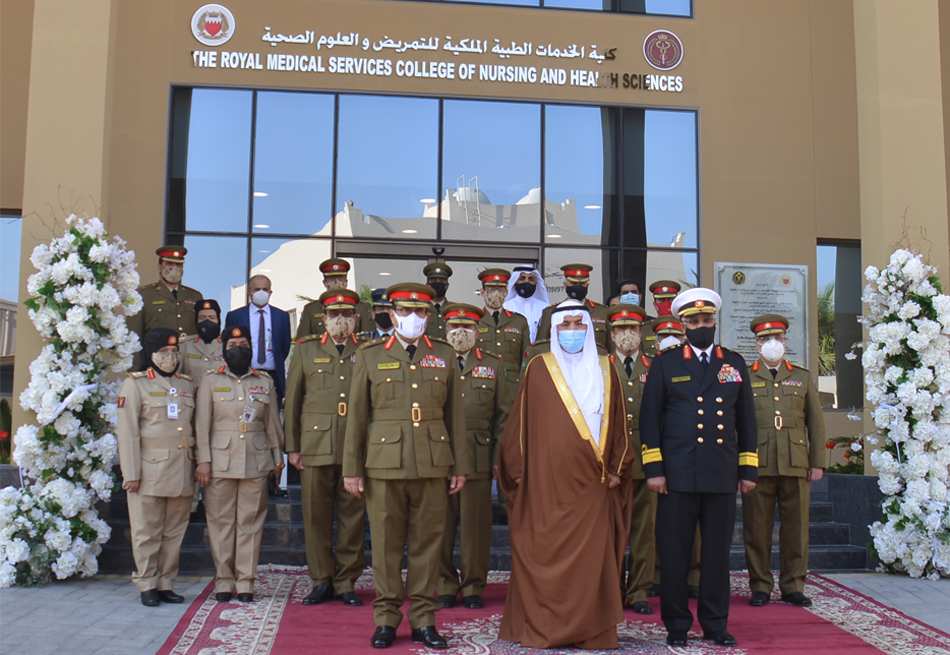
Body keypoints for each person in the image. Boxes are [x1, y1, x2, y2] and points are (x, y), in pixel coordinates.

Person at [498, 300, 633, 650]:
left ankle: (593, 630)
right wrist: (518, 475)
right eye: (565, 325)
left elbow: (619, 425)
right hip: (546, 487)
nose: (572, 331)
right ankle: (546, 627)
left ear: (590, 328)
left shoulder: (607, 369)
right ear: (554, 330)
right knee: (545, 554)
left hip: (593, 486)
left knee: (591, 563)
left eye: (579, 323)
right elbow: (519, 429)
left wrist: (617, 469)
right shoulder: (539, 368)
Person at [342, 283, 470, 650]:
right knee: (384, 545)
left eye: (421, 312)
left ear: (429, 316)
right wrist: (352, 469)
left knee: (428, 544)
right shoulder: (368, 355)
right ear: (392, 314)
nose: (414, 319)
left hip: (432, 464)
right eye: (406, 312)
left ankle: (424, 618)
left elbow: (455, 418)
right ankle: (385, 618)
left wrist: (458, 465)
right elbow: (357, 420)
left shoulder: (443, 355)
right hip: (384, 465)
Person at [640, 288, 758, 648]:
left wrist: (747, 469)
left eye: (707, 320)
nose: (701, 325)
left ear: (714, 322)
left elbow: (747, 420)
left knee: (717, 554)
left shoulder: (733, 363)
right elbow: (650, 420)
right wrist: (654, 469)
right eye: (694, 321)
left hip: (721, 472)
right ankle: (676, 623)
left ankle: (714, 622)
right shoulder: (665, 362)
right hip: (677, 474)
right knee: (674, 553)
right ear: (683, 324)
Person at [285, 289, 367, 607]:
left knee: (352, 518)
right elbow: (292, 401)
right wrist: (292, 447)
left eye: (347, 314)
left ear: (355, 318)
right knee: (316, 517)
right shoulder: (305, 351)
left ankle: (346, 581)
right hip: (315, 447)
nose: (341, 320)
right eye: (335, 314)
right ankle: (321, 580)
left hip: (354, 450)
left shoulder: (369, 350)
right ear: (323, 319)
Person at [195, 326, 285, 603]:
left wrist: (278, 458)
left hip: (255, 461)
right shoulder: (210, 381)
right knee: (221, 523)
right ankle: (224, 580)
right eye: (233, 344)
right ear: (224, 349)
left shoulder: (264, 382)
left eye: (243, 343)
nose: (238, 348)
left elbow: (271, 424)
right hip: (219, 462)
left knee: (250, 524)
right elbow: (201, 425)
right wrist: (203, 461)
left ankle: (245, 581)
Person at [743, 314, 826, 607]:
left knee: (796, 527)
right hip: (759, 462)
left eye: (777, 338)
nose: (771, 344)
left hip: (795, 461)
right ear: (756, 345)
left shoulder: (802, 376)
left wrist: (817, 462)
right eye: (765, 339)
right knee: (756, 527)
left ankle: (793, 585)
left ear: (786, 342)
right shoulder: (745, 375)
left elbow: (815, 423)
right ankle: (761, 585)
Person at [117, 328, 196, 606]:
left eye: (174, 353)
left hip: (182, 469)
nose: (170, 358)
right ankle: (147, 582)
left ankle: (165, 582)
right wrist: (131, 474)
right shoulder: (135, 384)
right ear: (151, 354)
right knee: (146, 530)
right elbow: (128, 433)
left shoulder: (185, 383)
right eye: (164, 352)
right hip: (149, 470)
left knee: (174, 532)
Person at [437, 303, 508, 610]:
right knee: (439, 525)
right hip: (439, 456)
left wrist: (497, 457)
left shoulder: (493, 364)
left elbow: (504, 416)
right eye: (455, 327)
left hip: (478, 456)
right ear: (445, 330)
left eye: (467, 328)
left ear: (478, 332)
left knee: (476, 527)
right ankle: (443, 583)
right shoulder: (433, 362)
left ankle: (473, 585)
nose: (461, 333)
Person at [646, 314, 701, 600]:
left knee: (693, 527)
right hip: (655, 456)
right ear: (654, 343)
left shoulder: (695, 366)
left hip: (687, 457)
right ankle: (656, 575)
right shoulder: (654, 366)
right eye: (662, 337)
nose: (669, 342)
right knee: (657, 523)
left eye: (675, 337)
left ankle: (693, 576)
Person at [607, 304, 655, 615]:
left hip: (647, 459)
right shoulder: (600, 366)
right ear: (612, 335)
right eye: (621, 329)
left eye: (633, 329)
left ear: (642, 333)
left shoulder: (657, 367)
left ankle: (638, 591)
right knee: (610, 530)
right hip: (610, 462)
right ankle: (610, 589)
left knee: (643, 531)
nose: (628, 335)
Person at [128, 246, 202, 366]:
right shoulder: (143, 296)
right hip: (156, 366)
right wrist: (136, 374)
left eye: (178, 265)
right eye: (169, 264)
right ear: (159, 267)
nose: (174, 268)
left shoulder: (195, 297)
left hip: (189, 365)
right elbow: (133, 339)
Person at [225, 275, 292, 406]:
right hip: (245, 374)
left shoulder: (282, 316)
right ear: (249, 292)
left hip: (272, 375)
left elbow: (285, 346)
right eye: (257, 289)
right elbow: (228, 346)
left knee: (272, 417)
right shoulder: (235, 316)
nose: (261, 293)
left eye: (265, 289)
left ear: (270, 292)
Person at [475, 268, 530, 407]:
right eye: (491, 289)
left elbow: (526, 360)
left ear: (506, 292)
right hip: (481, 386)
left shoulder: (519, 322)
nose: (496, 294)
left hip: (511, 389)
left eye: (500, 289)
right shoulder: (474, 322)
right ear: (482, 292)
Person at [535, 264, 610, 350]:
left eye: (582, 284)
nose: (578, 287)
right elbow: (540, 348)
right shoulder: (550, 312)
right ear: (565, 285)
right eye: (574, 283)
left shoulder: (603, 312)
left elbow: (611, 350)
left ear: (587, 286)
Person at [296, 258, 373, 339]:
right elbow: (302, 342)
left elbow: (367, 340)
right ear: (324, 283)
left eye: (340, 277)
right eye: (331, 278)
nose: (336, 281)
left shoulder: (361, 308)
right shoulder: (311, 309)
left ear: (346, 281)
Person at [503, 265, 550, 344]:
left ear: (536, 283)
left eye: (531, 279)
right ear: (515, 283)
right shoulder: (505, 307)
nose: (526, 282)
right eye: (522, 278)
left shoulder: (545, 308)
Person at [179, 299, 224, 379]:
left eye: (211, 317)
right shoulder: (184, 346)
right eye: (202, 318)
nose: (207, 321)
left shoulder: (227, 346)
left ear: (218, 320)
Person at [641, 280, 681, 354]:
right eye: (661, 300)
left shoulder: (685, 327)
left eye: (670, 299)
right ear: (655, 305)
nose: (666, 303)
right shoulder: (644, 330)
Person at [423, 262, 453, 338]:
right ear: (427, 285)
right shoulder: (420, 309)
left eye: (442, 281)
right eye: (433, 281)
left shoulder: (454, 309)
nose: (438, 283)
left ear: (447, 285)